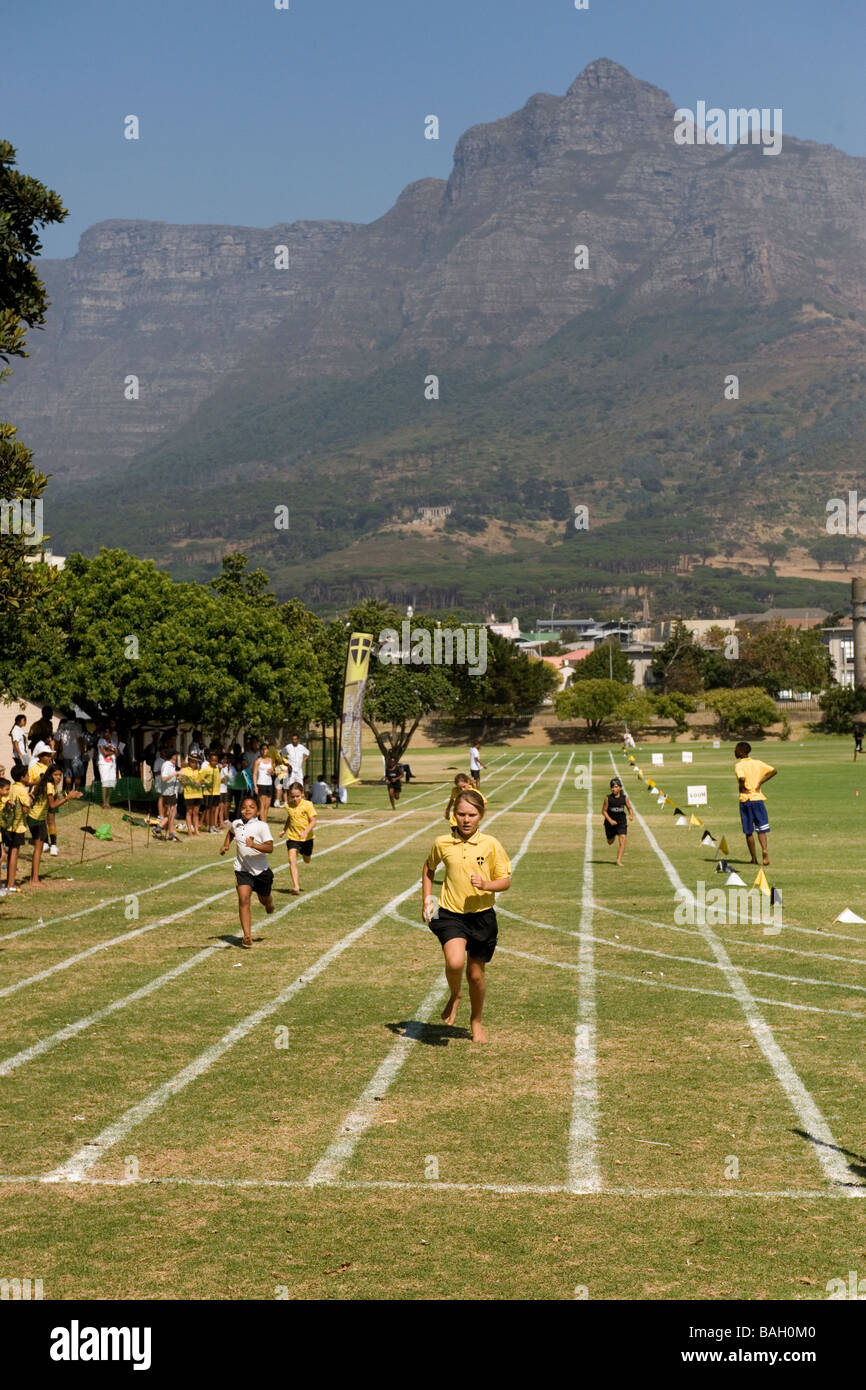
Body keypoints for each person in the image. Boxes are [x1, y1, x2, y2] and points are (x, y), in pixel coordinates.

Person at [422, 788, 511, 1044]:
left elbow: (504, 881)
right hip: (451, 915)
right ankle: (455, 994)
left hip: (482, 917)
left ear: (480, 815)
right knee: (454, 962)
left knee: (476, 975)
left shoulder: (491, 844)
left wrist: (486, 885)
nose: (466, 819)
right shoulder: (442, 843)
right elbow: (428, 868)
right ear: (454, 815)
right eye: (461, 814)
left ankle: (476, 1020)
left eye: (471, 814)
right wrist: (427, 898)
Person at [220, 793, 275, 947]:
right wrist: (226, 845)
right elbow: (230, 833)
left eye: (251, 807)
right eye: (243, 807)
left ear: (257, 810)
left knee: (264, 900)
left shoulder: (262, 826)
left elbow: (270, 847)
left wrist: (254, 845)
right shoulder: (236, 823)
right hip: (242, 869)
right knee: (244, 899)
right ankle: (247, 936)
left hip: (261, 871)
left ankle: (269, 901)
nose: (247, 810)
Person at [26, 761, 82, 885]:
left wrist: (70, 795)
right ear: (50, 775)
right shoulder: (50, 786)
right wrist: (68, 798)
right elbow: (52, 805)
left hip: (34, 818)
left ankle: (34, 878)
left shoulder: (46, 784)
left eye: (60, 775)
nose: (58, 777)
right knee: (38, 849)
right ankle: (34, 879)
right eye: (56, 775)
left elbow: (52, 799)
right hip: (37, 819)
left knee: (38, 849)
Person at [733, 742, 777, 867]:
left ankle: (753, 858)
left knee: (748, 831)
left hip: (746, 800)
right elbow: (773, 771)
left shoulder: (739, 765)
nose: (734, 752)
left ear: (741, 752)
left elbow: (741, 778)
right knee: (761, 829)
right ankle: (764, 850)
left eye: (736, 750)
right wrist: (760, 783)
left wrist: (742, 788)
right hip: (758, 799)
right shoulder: (757, 763)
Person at [280, 781, 317, 894]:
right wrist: (284, 830)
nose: (295, 799)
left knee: (306, 860)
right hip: (293, 837)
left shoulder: (308, 805)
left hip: (307, 838)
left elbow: (313, 821)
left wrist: (305, 832)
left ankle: (306, 854)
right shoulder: (288, 806)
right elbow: (290, 818)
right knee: (292, 860)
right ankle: (296, 886)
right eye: (292, 797)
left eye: (297, 796)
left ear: (302, 794)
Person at [0, 765, 31, 895]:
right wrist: (30, 800)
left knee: (8, 854)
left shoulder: (11, 787)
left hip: (7, 827)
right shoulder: (22, 790)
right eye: (28, 775)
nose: (30, 777)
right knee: (14, 854)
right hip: (17, 827)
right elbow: (25, 808)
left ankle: (8, 882)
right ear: (22, 777)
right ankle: (10, 883)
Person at [602, 777, 634, 867]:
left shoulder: (624, 798)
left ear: (620, 788)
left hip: (621, 822)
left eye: (616, 787)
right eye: (612, 787)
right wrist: (610, 820)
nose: (614, 789)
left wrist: (631, 815)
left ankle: (618, 860)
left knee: (623, 840)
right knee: (610, 841)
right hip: (610, 823)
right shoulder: (607, 799)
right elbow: (603, 811)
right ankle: (613, 835)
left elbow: (629, 808)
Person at [153, 749, 179, 841]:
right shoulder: (166, 765)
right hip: (168, 792)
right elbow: (164, 778)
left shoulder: (172, 765)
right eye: (176, 755)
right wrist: (176, 773)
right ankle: (159, 827)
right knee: (171, 813)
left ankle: (170, 833)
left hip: (172, 791)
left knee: (172, 813)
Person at [57, 710, 86, 791]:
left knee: (68, 775)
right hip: (76, 754)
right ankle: (76, 791)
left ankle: (69, 791)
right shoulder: (77, 726)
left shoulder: (62, 726)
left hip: (66, 754)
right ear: (74, 716)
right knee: (77, 775)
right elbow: (79, 739)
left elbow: (57, 738)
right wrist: (83, 751)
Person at [178, 752, 204, 836]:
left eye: (196, 762)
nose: (194, 763)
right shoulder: (185, 770)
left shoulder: (200, 771)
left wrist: (200, 782)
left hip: (198, 794)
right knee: (189, 812)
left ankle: (196, 830)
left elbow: (203, 781)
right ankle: (189, 830)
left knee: (196, 812)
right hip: (189, 794)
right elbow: (179, 778)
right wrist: (186, 781)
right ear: (189, 761)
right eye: (192, 761)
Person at [96, 726, 120, 810]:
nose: (107, 734)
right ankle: (104, 803)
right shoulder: (101, 741)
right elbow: (105, 753)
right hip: (104, 764)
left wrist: (113, 750)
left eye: (108, 732)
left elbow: (118, 753)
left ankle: (108, 802)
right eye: (105, 732)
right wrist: (113, 751)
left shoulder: (113, 742)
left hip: (112, 765)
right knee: (105, 783)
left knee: (111, 783)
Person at [252, 743, 276, 821]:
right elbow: (255, 774)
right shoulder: (258, 761)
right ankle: (263, 823)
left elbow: (273, 772)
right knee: (262, 805)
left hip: (269, 784)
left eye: (265, 749)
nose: (264, 751)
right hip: (261, 784)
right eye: (262, 749)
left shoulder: (270, 760)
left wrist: (272, 771)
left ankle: (264, 822)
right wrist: (255, 786)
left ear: (268, 750)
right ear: (260, 750)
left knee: (267, 805)